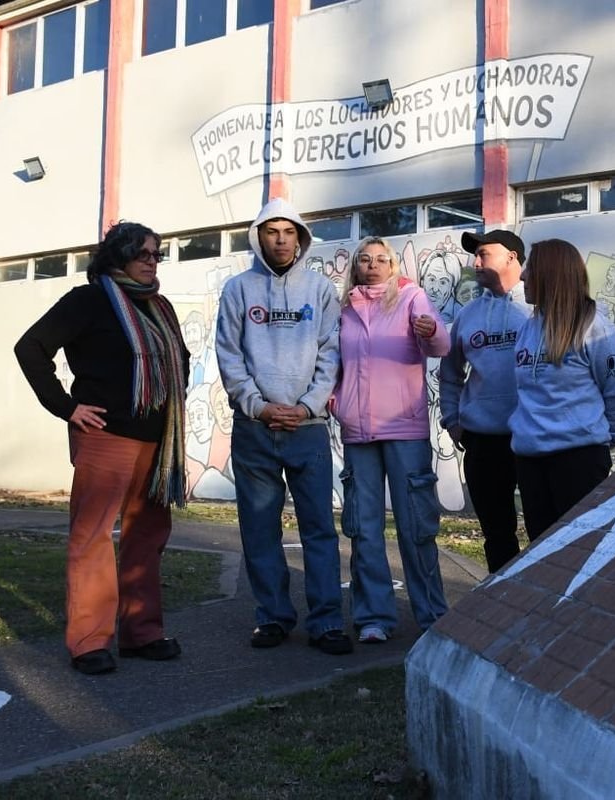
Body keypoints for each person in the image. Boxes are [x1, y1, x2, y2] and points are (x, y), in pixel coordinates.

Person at [14, 221, 189, 675]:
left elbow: (181, 360)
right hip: (106, 437)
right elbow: (30, 348)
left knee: (147, 537)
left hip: (157, 441)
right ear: (117, 256)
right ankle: (90, 641)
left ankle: (142, 633)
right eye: (143, 253)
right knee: (92, 538)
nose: (152, 261)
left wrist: (171, 408)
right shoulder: (89, 300)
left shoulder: (159, 307)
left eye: (157, 254)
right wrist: (67, 407)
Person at [215, 198, 352, 655]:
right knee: (259, 528)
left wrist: (308, 405)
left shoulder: (319, 289)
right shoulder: (238, 289)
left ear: (300, 238)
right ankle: (272, 617)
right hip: (254, 428)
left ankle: (327, 622)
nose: (279, 239)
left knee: (318, 529)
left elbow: (332, 351)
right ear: (258, 236)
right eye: (271, 231)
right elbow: (229, 354)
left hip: (307, 428)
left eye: (288, 232)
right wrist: (257, 405)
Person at [331, 236, 450, 643]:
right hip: (358, 432)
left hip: (404, 427)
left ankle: (433, 615)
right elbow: (333, 363)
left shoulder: (410, 297)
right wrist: (336, 400)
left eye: (381, 259)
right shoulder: (343, 308)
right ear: (356, 267)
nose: (373, 265)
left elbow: (441, 345)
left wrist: (431, 329)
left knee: (416, 527)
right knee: (363, 528)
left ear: (394, 265)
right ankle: (372, 618)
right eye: (364, 259)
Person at [509, 238, 615, 541]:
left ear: (551, 274)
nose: (522, 277)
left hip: (578, 461)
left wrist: (603, 439)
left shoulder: (593, 326)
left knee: (578, 551)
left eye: (530, 269)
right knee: (542, 553)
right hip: (530, 462)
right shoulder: (530, 325)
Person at [440, 229, 531, 572]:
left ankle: (547, 614)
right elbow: (449, 373)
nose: (475, 262)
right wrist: (452, 421)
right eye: (474, 255)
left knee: (546, 531)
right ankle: (503, 608)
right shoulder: (468, 314)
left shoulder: (537, 307)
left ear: (511, 257)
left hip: (532, 439)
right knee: (497, 536)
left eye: (484, 254)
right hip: (482, 442)